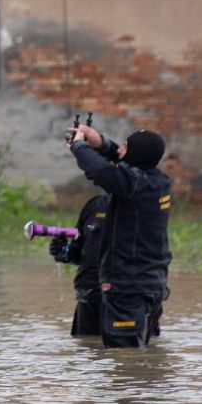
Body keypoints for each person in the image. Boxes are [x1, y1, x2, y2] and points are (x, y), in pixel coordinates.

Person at [65, 124, 172, 348]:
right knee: (138, 354)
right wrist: (101, 144)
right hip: (151, 284)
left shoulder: (134, 184)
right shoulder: (156, 181)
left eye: (124, 147)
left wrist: (79, 146)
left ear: (134, 155)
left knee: (125, 358)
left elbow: (102, 172)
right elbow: (122, 165)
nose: (120, 151)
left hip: (127, 288)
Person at [48, 193, 108, 336]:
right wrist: (65, 252)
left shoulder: (139, 204)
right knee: (86, 348)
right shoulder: (95, 205)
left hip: (127, 298)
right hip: (89, 295)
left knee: (127, 351)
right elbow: (81, 250)